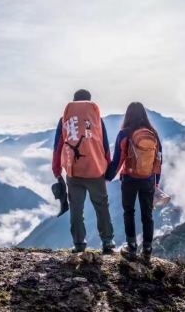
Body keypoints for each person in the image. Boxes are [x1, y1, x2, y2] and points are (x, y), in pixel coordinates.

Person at [52, 89, 116, 254]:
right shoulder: (96, 119)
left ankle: (79, 244)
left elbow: (58, 147)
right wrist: (108, 171)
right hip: (95, 171)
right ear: (90, 102)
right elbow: (105, 145)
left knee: (76, 209)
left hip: (74, 172)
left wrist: (57, 171)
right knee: (102, 207)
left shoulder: (64, 119)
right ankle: (107, 242)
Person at [105, 102, 162, 261]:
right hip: (148, 179)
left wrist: (107, 177)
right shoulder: (153, 134)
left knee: (129, 212)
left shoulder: (124, 134)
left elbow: (117, 160)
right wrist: (156, 182)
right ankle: (147, 250)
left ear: (128, 115)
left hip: (129, 179)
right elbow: (159, 160)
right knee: (147, 214)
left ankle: (131, 247)